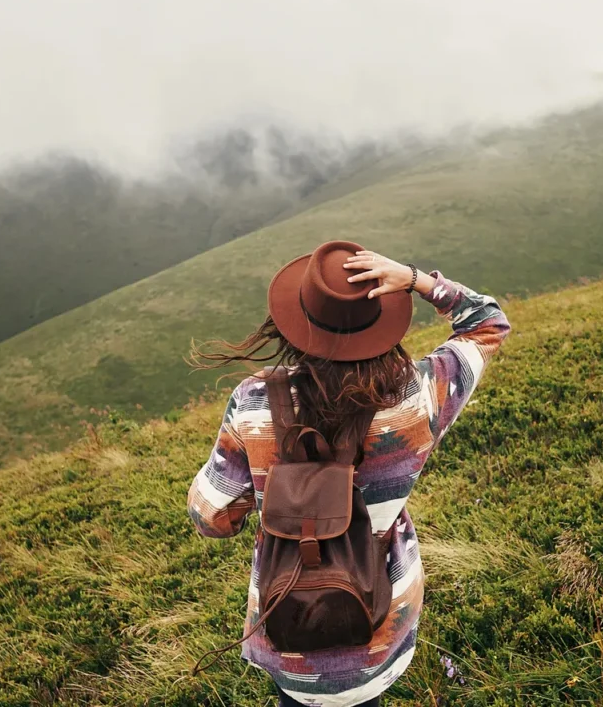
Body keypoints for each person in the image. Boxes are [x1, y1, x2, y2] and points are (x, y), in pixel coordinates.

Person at [187, 241, 510, 706]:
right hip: (379, 634)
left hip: (287, 630)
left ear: (295, 323)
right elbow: (488, 322)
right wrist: (418, 280)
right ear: (379, 324)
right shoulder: (421, 396)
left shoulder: (254, 402)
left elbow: (212, 517)